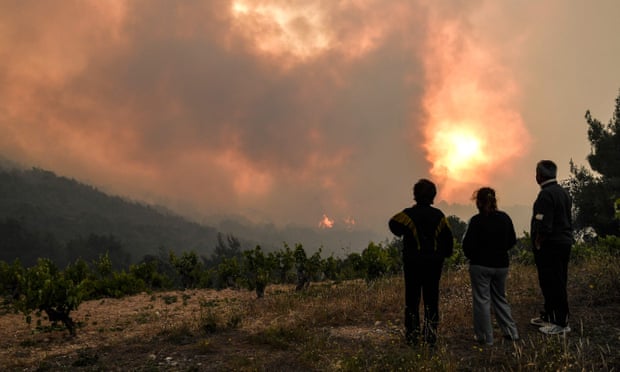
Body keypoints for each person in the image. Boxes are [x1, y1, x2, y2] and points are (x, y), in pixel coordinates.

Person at [389, 179, 454, 346]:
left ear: (415, 195)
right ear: (433, 196)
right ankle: (430, 336)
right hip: (433, 265)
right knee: (431, 300)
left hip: (413, 265)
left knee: (412, 300)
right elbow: (448, 242)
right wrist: (441, 255)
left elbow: (393, 224)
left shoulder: (407, 215)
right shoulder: (439, 216)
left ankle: (412, 336)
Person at [462, 187, 519, 345]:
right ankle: (511, 332)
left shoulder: (476, 221)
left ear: (478, 202)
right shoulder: (504, 218)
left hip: (480, 265)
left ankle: (485, 338)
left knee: (482, 301)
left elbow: (467, 245)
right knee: (500, 298)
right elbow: (512, 240)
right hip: (501, 265)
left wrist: (473, 256)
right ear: (494, 200)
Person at [529, 160, 573, 335]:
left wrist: (539, 242)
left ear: (539, 175)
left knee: (553, 282)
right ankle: (549, 315)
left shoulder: (545, 195)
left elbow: (543, 223)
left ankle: (560, 322)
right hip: (564, 242)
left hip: (551, 245)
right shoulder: (563, 193)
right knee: (555, 280)